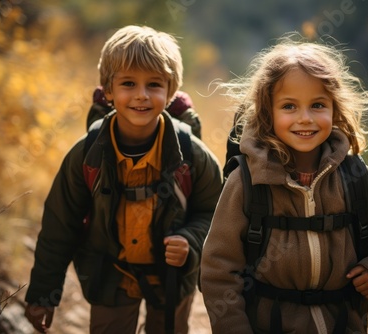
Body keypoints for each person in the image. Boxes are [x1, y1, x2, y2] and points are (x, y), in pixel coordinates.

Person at [200, 33, 368, 333]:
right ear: (268, 112)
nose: (305, 118)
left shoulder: (356, 177)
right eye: (289, 106)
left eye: (317, 105)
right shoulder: (246, 183)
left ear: (334, 109)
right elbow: (217, 271)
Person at [24, 25, 222, 334]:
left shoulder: (193, 155)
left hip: (172, 280)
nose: (142, 95)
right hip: (110, 277)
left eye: (154, 84)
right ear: (108, 90)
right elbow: (59, 226)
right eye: (128, 83)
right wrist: (42, 294)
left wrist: (191, 240)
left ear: (170, 92)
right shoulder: (86, 155)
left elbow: (216, 214)